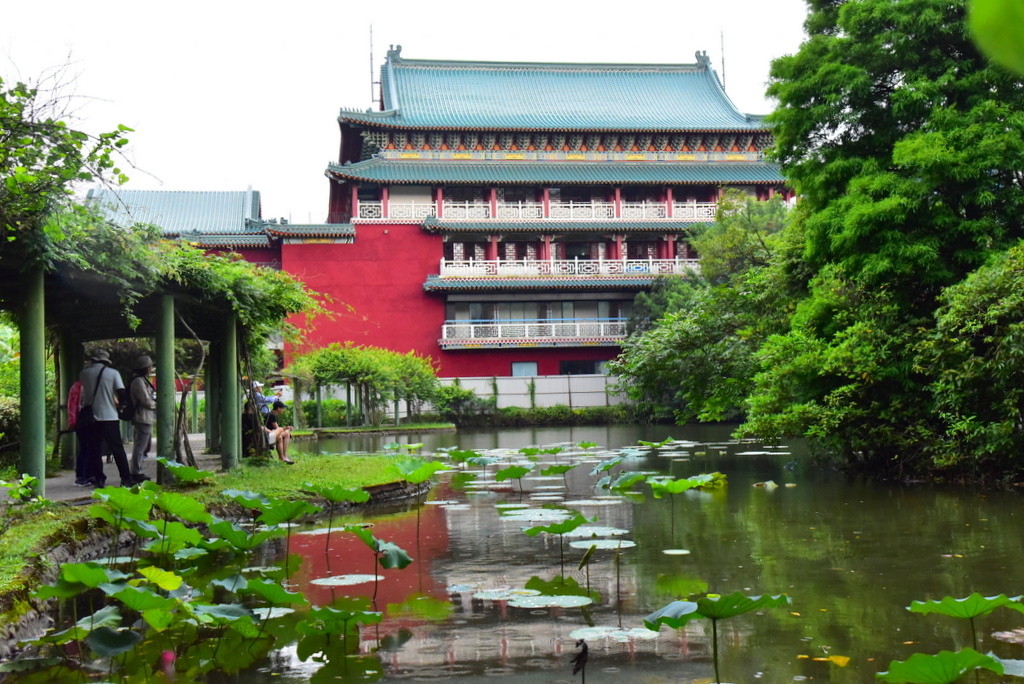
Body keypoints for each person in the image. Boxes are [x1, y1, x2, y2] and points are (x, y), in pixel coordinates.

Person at [79, 349, 134, 487]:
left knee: (95, 449)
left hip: (91, 418)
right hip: (109, 416)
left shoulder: (84, 373)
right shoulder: (113, 373)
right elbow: (122, 394)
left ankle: (99, 478)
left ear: (93, 360)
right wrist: (120, 405)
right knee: (117, 449)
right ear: (106, 361)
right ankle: (125, 479)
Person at [129, 355, 157, 482]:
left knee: (140, 445)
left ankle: (136, 470)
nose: (151, 368)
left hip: (144, 416)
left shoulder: (141, 380)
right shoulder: (138, 381)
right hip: (143, 416)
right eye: (150, 366)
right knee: (140, 446)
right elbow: (145, 400)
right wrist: (157, 404)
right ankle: (136, 472)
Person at [265, 400, 294, 464]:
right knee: (286, 434)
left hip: (270, 433)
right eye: (283, 408)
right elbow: (277, 429)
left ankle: (283, 457)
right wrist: (287, 428)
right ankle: (284, 456)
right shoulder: (272, 415)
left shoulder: (271, 414)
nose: (283, 410)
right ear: (278, 408)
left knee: (286, 433)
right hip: (269, 434)